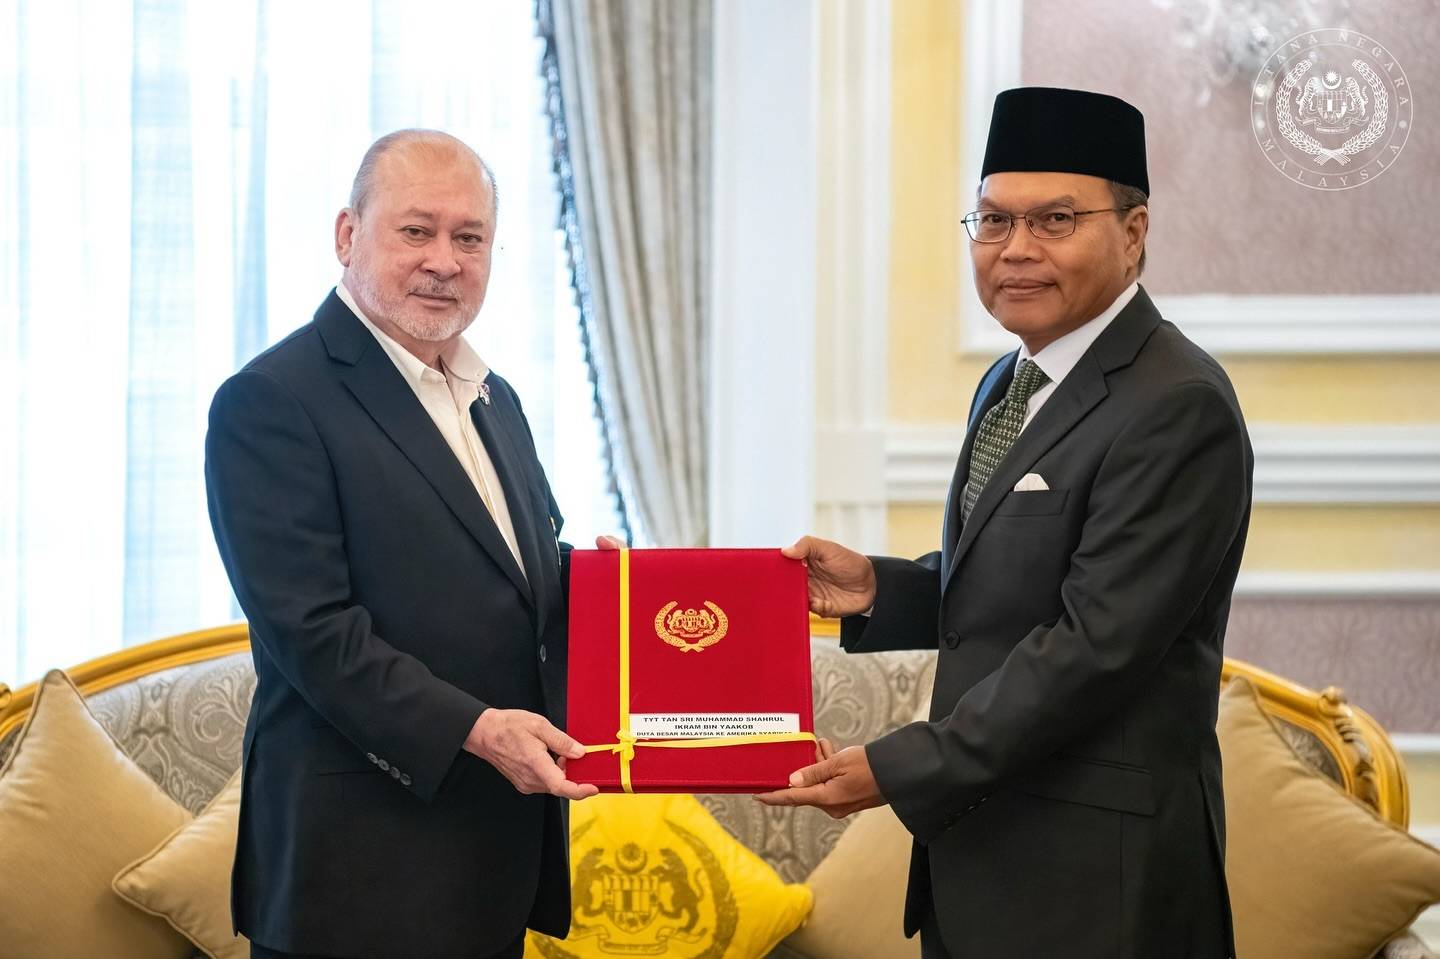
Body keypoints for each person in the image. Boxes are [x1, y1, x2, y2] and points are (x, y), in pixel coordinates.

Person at [760, 87, 1251, 958]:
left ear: (1134, 233)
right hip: (979, 863)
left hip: (1100, 889)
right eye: (992, 222)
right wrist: (883, 588)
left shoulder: (1178, 403)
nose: (1015, 250)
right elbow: (1010, 582)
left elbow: (1094, 647)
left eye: (1055, 220)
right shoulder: (1010, 381)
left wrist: (894, 766)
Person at [205, 129, 597, 959]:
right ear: (349, 235)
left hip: (489, 865)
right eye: (416, 231)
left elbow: (523, 586)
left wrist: (632, 601)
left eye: (470, 237)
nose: (445, 260)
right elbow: (315, 635)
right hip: (357, 877)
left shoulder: (496, 398)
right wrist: (482, 730)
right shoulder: (272, 401)